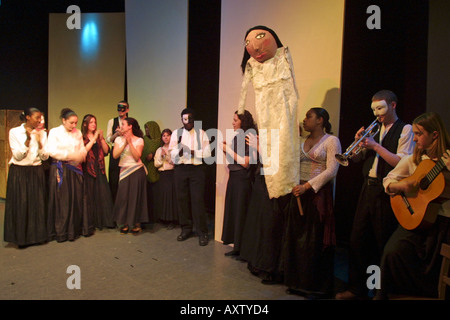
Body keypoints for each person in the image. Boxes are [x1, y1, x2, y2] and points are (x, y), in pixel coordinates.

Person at [336, 90, 415, 299]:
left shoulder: (405, 129)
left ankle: (380, 291)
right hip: (368, 188)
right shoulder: (375, 129)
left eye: (380, 108)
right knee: (358, 241)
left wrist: (375, 145)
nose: (377, 113)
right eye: (374, 109)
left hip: (387, 191)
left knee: (381, 243)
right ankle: (357, 289)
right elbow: (355, 160)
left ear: (393, 105)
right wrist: (359, 145)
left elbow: (401, 162)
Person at [376, 112, 450, 299]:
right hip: (416, 221)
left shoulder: (447, 161)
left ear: (434, 135)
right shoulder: (414, 160)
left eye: (419, 133)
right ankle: (384, 294)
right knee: (391, 252)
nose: (414, 138)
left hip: (443, 224)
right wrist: (402, 185)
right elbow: (388, 180)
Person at [283, 108, 341, 299]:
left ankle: (314, 285)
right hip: (299, 193)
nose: (304, 120)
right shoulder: (301, 141)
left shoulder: (332, 141)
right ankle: (296, 281)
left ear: (320, 120)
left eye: (309, 117)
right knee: (297, 239)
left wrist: (307, 186)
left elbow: (332, 170)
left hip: (318, 196)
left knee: (313, 241)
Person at [238, 25, 300, 200]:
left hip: (284, 112)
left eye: (259, 38)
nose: (255, 46)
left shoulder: (282, 58)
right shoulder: (253, 67)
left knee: (284, 141)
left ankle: (284, 183)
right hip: (266, 117)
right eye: (248, 43)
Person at [4, 107, 49, 248]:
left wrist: (40, 141)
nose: (39, 120)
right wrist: (29, 139)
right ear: (28, 117)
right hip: (20, 171)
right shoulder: (15, 132)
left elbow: (45, 156)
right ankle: (21, 238)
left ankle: (37, 236)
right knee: (22, 204)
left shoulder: (41, 133)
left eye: (40, 117)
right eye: (37, 117)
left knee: (37, 204)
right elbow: (17, 155)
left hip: (36, 170)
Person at [169, 108, 212, 246]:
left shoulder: (202, 133)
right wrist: (179, 152)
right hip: (181, 169)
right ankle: (186, 229)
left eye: (190, 119)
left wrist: (193, 151)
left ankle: (202, 232)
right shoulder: (176, 133)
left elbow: (207, 153)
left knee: (197, 200)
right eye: (185, 119)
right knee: (182, 200)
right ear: (181, 119)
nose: (187, 122)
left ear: (194, 119)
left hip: (196, 170)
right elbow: (171, 153)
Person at [47, 108, 87, 242]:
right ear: (64, 121)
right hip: (61, 168)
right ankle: (61, 232)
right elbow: (51, 150)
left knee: (74, 199)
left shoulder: (78, 133)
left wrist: (81, 155)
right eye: (71, 123)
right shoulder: (55, 132)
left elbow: (82, 148)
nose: (74, 126)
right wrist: (69, 155)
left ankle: (73, 230)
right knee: (62, 200)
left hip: (74, 168)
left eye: (76, 123)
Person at [221, 110, 257, 257]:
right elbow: (235, 159)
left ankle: (242, 249)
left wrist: (227, 149)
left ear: (243, 121)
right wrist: (226, 150)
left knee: (241, 212)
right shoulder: (239, 137)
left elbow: (246, 163)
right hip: (235, 178)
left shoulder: (250, 136)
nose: (233, 122)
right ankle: (237, 247)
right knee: (234, 211)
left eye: (235, 120)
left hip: (242, 179)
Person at [112, 117, 148, 234]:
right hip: (124, 171)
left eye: (123, 124)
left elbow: (137, 156)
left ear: (130, 126)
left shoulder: (139, 140)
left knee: (135, 197)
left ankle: (136, 223)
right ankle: (125, 223)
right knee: (123, 197)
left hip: (136, 170)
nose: (121, 126)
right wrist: (124, 142)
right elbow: (115, 155)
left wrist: (130, 142)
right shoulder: (118, 140)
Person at [81, 114, 115, 230]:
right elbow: (83, 152)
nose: (94, 124)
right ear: (85, 124)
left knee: (102, 193)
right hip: (88, 169)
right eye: (91, 122)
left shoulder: (98, 137)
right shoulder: (82, 137)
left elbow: (106, 151)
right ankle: (91, 221)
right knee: (90, 194)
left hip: (99, 168)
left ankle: (105, 221)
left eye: (95, 122)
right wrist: (94, 138)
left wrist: (100, 139)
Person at [154, 129, 179, 229]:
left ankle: (172, 220)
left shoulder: (174, 149)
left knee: (171, 197)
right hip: (162, 175)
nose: (165, 137)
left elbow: (175, 162)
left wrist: (167, 156)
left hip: (171, 174)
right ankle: (164, 218)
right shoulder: (159, 149)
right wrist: (161, 157)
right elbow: (156, 164)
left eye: (168, 135)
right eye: (164, 135)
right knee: (163, 197)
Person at [106, 101, 129, 202]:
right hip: (115, 150)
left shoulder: (130, 122)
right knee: (114, 179)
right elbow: (108, 139)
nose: (120, 110)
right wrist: (116, 135)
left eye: (123, 108)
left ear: (127, 109)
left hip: (127, 152)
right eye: (119, 108)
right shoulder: (112, 121)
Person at [142, 121, 162, 225]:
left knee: (157, 197)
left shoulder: (160, 141)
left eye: (148, 128)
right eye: (145, 128)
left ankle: (158, 218)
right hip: (145, 171)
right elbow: (141, 154)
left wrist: (153, 154)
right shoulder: (144, 140)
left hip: (157, 172)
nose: (147, 130)